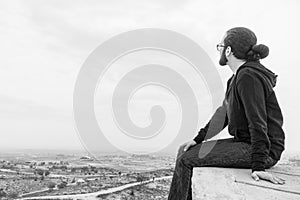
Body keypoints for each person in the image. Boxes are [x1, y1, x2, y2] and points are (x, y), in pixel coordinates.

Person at [167, 27, 285, 200]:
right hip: (245, 143)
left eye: (220, 46)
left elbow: (258, 122)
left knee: (186, 160)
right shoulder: (236, 78)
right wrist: (198, 139)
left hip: (263, 150)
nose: (220, 50)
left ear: (228, 50)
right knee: (183, 150)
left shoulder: (248, 76)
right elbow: (223, 114)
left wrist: (258, 165)